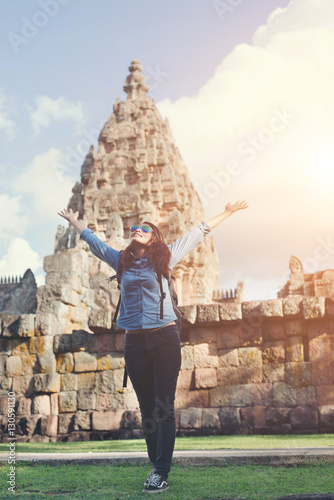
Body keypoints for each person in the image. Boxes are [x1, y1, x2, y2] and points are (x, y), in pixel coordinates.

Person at [58, 201, 248, 494]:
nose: (137, 230)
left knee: (163, 406)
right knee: (147, 409)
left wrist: (229, 212)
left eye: (144, 229)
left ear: (155, 237)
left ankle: (161, 471)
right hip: (133, 340)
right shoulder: (121, 260)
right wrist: (75, 222)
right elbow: (94, 243)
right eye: (134, 228)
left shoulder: (167, 256)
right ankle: (155, 465)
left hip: (164, 337)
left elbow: (198, 232)